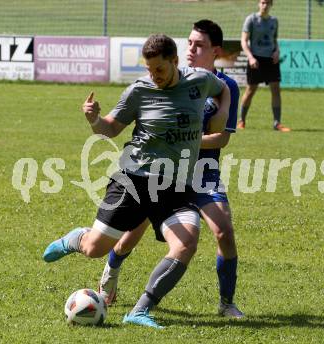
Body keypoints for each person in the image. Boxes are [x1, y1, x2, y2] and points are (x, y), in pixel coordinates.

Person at [42, 34, 231, 329]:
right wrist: (94, 118)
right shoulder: (138, 92)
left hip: (176, 186)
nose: (154, 76)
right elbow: (111, 129)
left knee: (186, 244)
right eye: (149, 69)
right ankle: (77, 238)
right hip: (134, 181)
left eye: (160, 70)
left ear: (174, 61)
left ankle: (141, 310)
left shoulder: (200, 81)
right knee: (95, 249)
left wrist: (221, 114)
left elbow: (224, 90)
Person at [98, 20, 245, 319]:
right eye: (189, 42)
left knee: (224, 232)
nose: (191, 48)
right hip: (161, 170)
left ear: (215, 51)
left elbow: (223, 138)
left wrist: (183, 141)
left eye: (199, 44)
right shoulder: (169, 80)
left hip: (202, 172)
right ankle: (110, 272)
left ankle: (226, 302)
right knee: (131, 233)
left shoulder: (223, 86)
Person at [238, 0, 290, 132]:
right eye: (262, 2)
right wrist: (250, 57)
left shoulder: (274, 21)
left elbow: (274, 40)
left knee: (276, 90)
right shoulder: (251, 19)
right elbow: (244, 41)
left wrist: (277, 51)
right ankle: (241, 121)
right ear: (258, 4)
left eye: (267, 3)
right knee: (250, 91)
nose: (265, 5)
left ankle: (277, 123)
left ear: (271, 5)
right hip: (256, 59)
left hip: (271, 60)